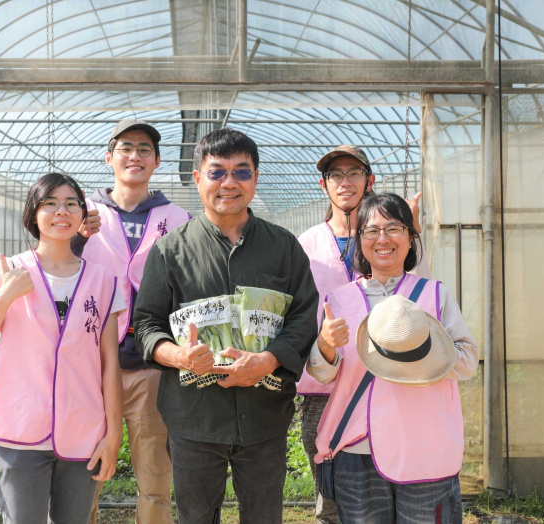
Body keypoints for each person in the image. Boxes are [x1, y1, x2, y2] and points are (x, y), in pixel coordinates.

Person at [134, 127, 319, 524]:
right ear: (197, 178)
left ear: (256, 177)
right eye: (217, 172)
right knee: (196, 516)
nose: (229, 183)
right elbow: (146, 325)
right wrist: (179, 355)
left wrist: (268, 361)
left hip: (265, 414)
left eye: (242, 172)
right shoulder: (169, 251)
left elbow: (304, 317)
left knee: (264, 516)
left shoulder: (283, 247)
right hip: (194, 417)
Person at [0, 173, 124, 524]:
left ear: (84, 215)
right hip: (18, 432)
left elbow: (109, 362)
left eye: (71, 203)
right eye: (49, 203)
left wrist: (114, 434)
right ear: (33, 214)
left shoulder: (104, 280)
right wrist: (6, 294)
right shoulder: (7, 272)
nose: (61, 211)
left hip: (83, 431)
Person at [308, 192, 479, 523]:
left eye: (394, 228)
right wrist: (326, 345)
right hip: (358, 451)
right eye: (371, 231)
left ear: (410, 236)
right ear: (359, 240)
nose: (382, 239)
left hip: (425, 448)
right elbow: (322, 373)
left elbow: (467, 360)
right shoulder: (339, 301)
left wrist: (426, 351)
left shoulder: (435, 295)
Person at [296, 145, 430, 523]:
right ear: (324, 185)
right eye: (335, 175)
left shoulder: (388, 238)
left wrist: (410, 232)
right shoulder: (307, 245)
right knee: (333, 494)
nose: (345, 182)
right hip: (325, 389)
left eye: (354, 173)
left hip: (390, 383)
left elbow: (416, 296)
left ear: (369, 181)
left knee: (386, 490)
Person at [72, 119, 189, 524]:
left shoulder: (178, 218)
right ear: (109, 157)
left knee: (154, 474)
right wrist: (77, 238)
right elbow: (52, 264)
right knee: (84, 471)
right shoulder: (80, 212)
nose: (134, 156)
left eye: (144, 149)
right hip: (91, 363)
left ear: (157, 161)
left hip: (150, 365)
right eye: (125, 148)